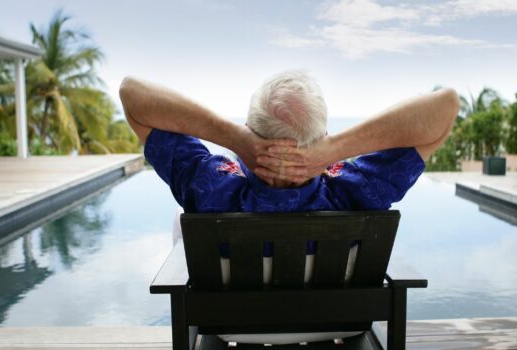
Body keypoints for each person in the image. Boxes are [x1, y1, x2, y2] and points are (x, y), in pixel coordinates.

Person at [119, 70, 458, 344]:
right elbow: (445, 105)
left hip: (229, 325)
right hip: (340, 322)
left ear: (251, 132)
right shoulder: (357, 190)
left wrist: (234, 137)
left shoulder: (209, 188)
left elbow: (132, 93)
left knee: (180, 221)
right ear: (322, 136)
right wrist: (335, 148)